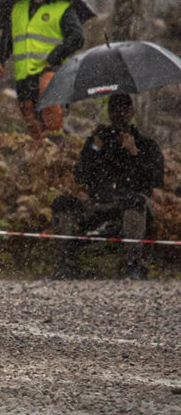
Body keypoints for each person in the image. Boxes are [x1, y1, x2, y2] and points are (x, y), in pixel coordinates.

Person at [51, 94, 164, 280]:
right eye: (114, 109)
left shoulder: (146, 145)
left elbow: (155, 178)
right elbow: (80, 175)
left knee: (135, 202)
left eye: (124, 109)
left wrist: (134, 153)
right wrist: (95, 148)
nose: (119, 114)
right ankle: (65, 264)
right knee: (62, 204)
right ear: (109, 112)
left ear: (131, 112)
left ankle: (132, 264)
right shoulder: (100, 140)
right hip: (99, 201)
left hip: (132, 203)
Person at [0, 0, 84, 141]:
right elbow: (8, 39)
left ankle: (58, 149)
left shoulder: (62, 8)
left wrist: (54, 57)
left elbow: (77, 38)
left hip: (50, 72)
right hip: (24, 76)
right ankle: (40, 157)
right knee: (32, 121)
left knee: (51, 114)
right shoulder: (18, 8)